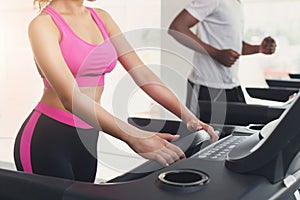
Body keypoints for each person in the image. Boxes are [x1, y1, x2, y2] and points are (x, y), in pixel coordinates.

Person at [13, 0, 218, 183]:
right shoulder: (43, 25)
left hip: (88, 137)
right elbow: (70, 97)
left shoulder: (101, 17)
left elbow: (143, 75)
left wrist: (188, 117)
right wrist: (132, 136)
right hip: (48, 138)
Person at [168, 0, 277, 116]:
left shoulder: (236, 3)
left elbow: (231, 46)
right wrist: (216, 53)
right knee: (200, 134)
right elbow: (177, 28)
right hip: (207, 87)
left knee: (238, 132)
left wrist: (259, 49)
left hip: (232, 87)